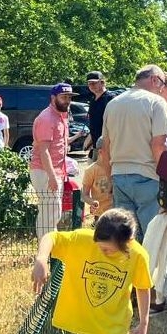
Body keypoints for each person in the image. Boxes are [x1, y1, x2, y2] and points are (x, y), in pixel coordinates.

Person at [100, 65, 167, 243]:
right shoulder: (156, 102)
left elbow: (105, 148)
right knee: (153, 239)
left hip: (119, 176)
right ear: (154, 80)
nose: (163, 88)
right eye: (162, 83)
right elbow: (159, 145)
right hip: (148, 176)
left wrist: (110, 178)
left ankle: (129, 271)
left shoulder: (112, 104)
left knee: (125, 239)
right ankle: (152, 272)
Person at [30, 83, 74, 240]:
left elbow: (59, 145)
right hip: (44, 171)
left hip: (54, 171)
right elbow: (44, 151)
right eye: (63, 97)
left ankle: (49, 248)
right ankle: (46, 250)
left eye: (69, 97)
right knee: (50, 211)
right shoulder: (47, 118)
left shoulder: (61, 116)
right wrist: (52, 176)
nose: (67, 100)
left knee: (52, 211)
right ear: (53, 97)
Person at [83, 70, 116, 162]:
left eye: (94, 83)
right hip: (95, 146)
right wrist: (89, 140)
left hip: (108, 145)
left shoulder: (110, 98)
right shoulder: (93, 100)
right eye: (89, 83)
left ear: (102, 82)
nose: (91, 86)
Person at [82, 142, 114, 221]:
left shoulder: (115, 167)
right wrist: (92, 202)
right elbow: (84, 195)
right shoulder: (91, 170)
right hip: (100, 214)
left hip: (115, 211)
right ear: (100, 152)